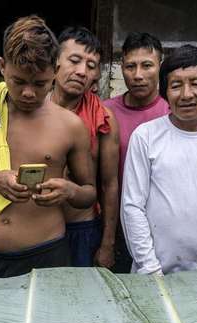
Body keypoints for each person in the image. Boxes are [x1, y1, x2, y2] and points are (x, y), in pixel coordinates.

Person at [0, 16, 96, 278]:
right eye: (18, 81)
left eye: (39, 83)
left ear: (55, 69)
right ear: (2, 67)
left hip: (48, 254)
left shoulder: (70, 125)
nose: (28, 93)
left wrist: (69, 190)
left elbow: (89, 193)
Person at [121, 45, 197, 275]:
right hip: (154, 275)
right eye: (176, 85)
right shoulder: (145, 136)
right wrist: (150, 267)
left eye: (196, 83)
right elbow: (132, 206)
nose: (186, 94)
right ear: (165, 92)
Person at [50, 26, 120, 267]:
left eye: (91, 66)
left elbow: (109, 183)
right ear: (55, 61)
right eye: (74, 60)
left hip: (82, 227)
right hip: (37, 229)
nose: (81, 71)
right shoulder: (31, 109)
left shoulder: (104, 118)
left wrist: (107, 243)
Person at [104, 32, 170, 272]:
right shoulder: (106, 112)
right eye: (131, 66)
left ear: (160, 67)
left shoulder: (173, 113)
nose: (138, 75)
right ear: (121, 67)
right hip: (114, 226)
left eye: (147, 66)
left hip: (160, 229)